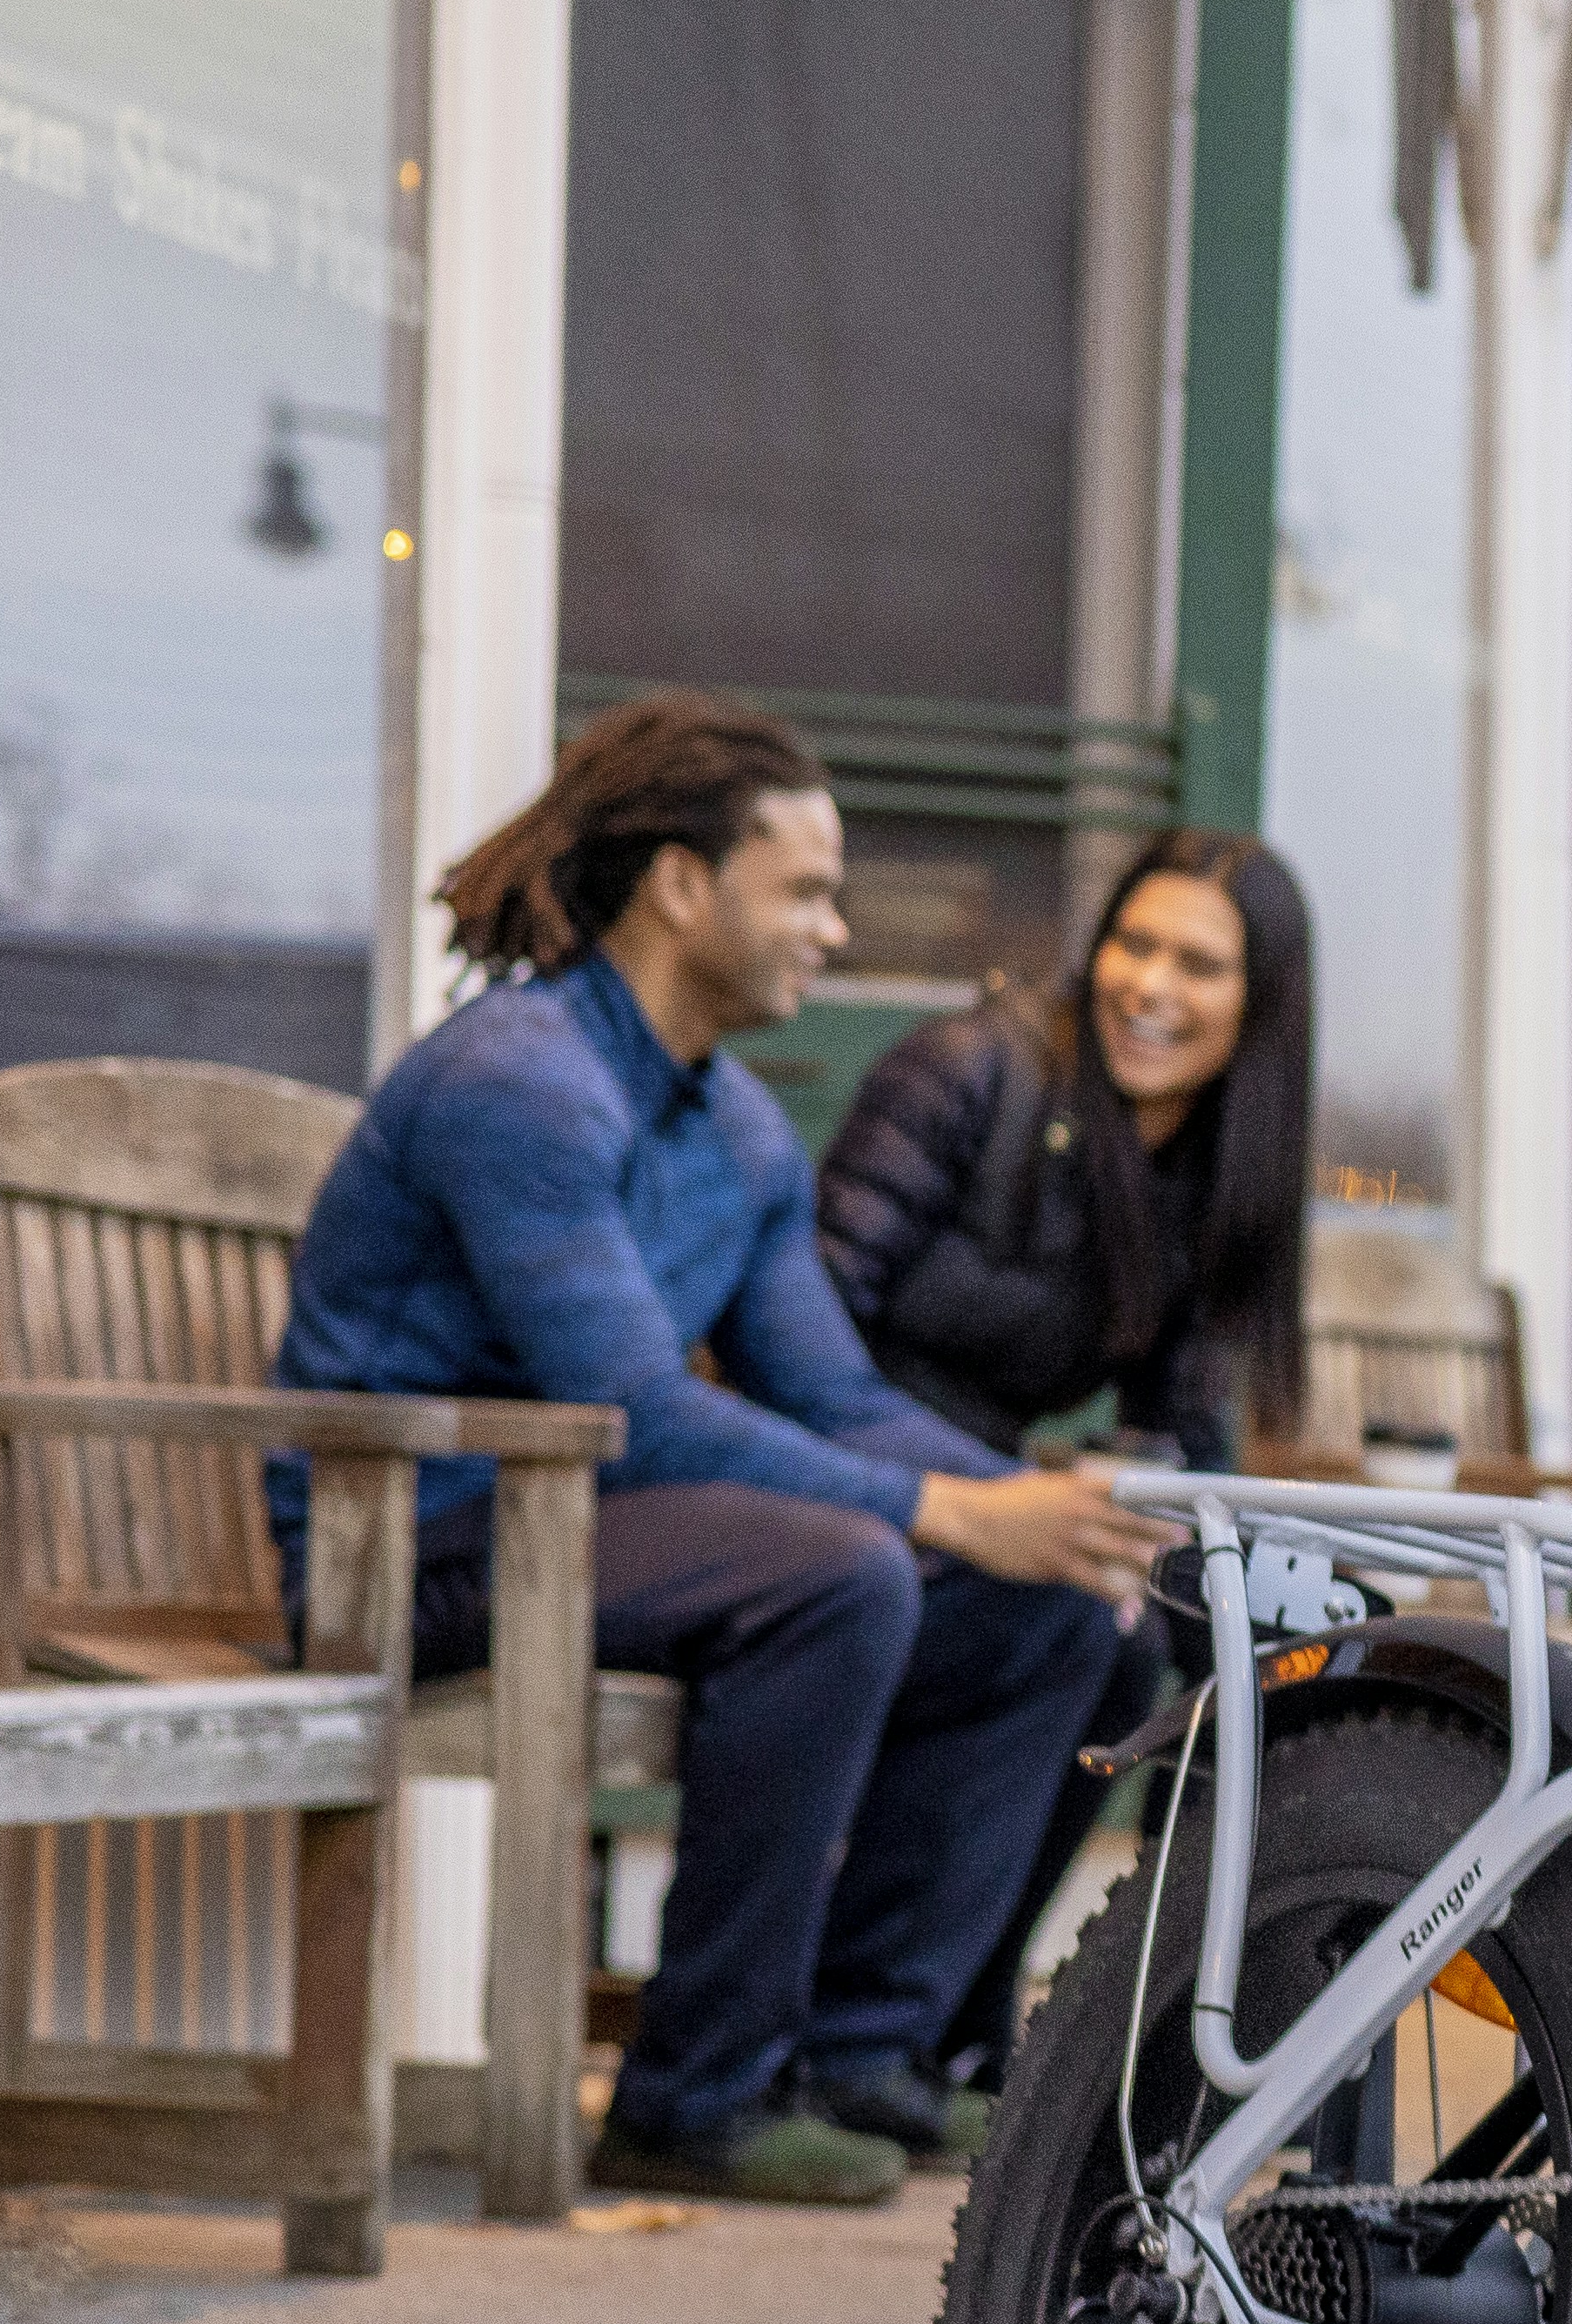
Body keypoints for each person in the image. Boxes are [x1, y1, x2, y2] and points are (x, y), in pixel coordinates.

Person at [276, 694, 1161, 2206]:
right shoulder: (522, 1082)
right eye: (804, 890)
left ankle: (861, 2054)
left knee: (1058, 1605)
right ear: (684, 887)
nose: (833, 928)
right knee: (843, 1576)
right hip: (413, 1550)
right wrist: (945, 1506)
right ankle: (690, 2094)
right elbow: (636, 1413)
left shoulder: (736, 1127)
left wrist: (1026, 1509)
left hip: (586, 1538)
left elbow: (828, 1393)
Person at [813, 833, 1316, 2100]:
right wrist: (980, 1494)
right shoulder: (963, 1074)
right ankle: (866, 2036)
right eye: (1133, 943)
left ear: (1261, 1005)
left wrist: (1259, 1627)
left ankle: (1019, 2037)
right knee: (1069, 1622)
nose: (1149, 984)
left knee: (1181, 1654)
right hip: (846, 1488)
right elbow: (803, 1337)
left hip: (990, 1501)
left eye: (1198, 962)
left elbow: (1186, 1426)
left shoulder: (1208, 1170)